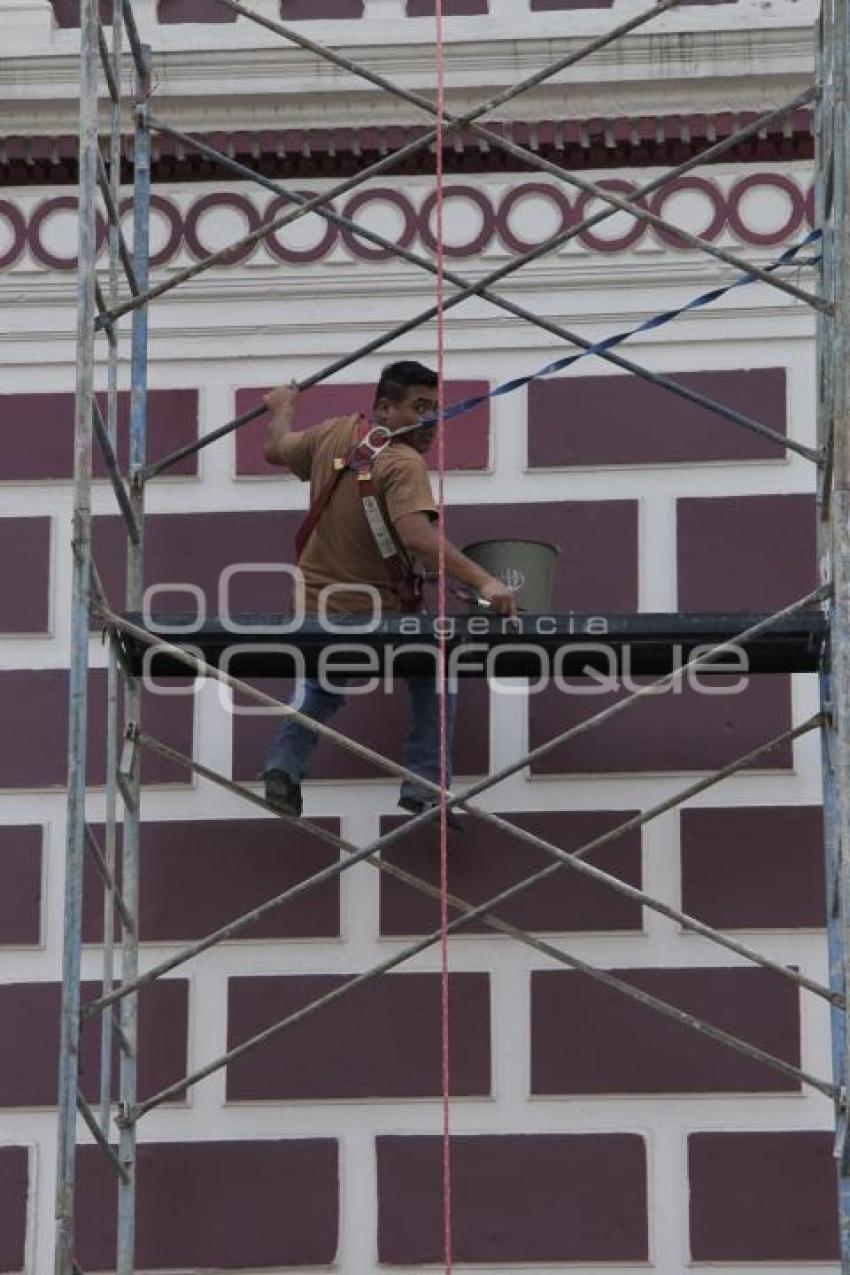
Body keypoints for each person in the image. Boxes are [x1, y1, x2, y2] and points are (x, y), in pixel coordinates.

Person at [260, 359, 516, 823]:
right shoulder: (401, 461)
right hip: (377, 615)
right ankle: (424, 784)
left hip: (314, 609)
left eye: (435, 408)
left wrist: (282, 407)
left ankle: (283, 764)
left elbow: (275, 448)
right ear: (384, 408)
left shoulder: (332, 433)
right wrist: (484, 580)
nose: (431, 420)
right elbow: (418, 536)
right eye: (419, 408)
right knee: (433, 675)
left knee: (322, 682)